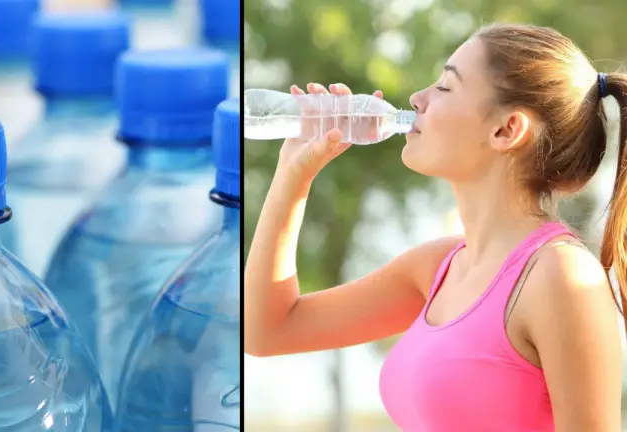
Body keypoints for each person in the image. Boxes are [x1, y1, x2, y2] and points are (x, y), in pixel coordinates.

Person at [244, 23, 626, 431]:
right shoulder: (438, 267)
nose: (417, 98)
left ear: (506, 130)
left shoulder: (561, 279)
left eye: (445, 87)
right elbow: (268, 331)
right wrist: (293, 172)